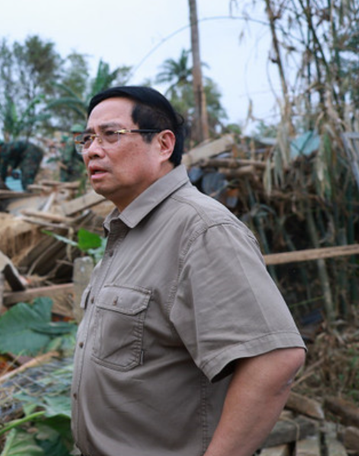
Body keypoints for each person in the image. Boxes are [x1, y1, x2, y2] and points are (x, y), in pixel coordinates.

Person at [72, 86, 306, 456]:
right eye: (86, 139)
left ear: (164, 145)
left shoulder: (200, 229)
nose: (92, 150)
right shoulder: (128, 231)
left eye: (110, 135)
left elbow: (274, 360)